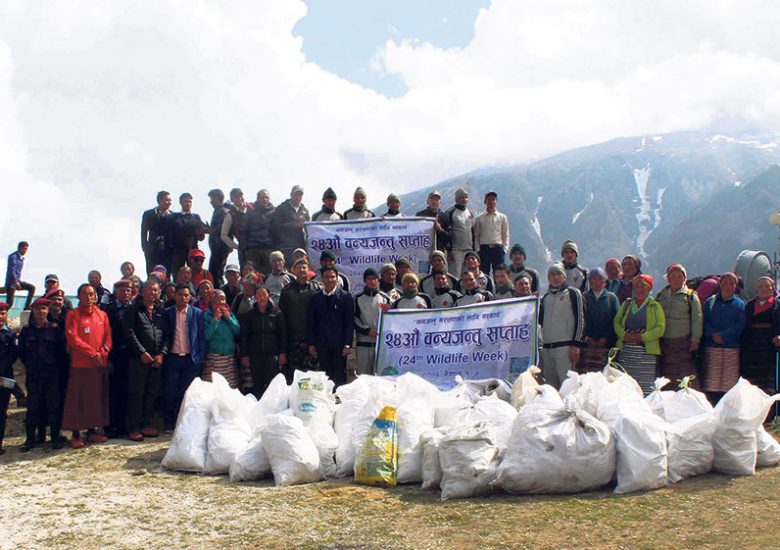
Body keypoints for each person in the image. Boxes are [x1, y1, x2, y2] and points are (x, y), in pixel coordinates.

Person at [62, 283, 112, 448]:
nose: (89, 297)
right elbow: (73, 338)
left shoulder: (102, 315)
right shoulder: (73, 315)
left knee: (95, 398)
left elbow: (108, 337)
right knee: (78, 399)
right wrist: (92, 353)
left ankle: (92, 431)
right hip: (81, 364)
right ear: (78, 297)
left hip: (98, 365)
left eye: (92, 294)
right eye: (85, 294)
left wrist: (103, 352)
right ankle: (76, 434)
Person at [18, 298, 67, 451]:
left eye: (44, 308)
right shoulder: (27, 330)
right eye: (38, 308)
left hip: (52, 374)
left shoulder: (54, 329)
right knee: (33, 407)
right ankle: (30, 440)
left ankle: (54, 438)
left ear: (48, 310)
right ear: (33, 310)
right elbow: (22, 353)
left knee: (53, 407)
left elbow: (61, 353)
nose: (41, 311)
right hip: (34, 374)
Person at [123, 279, 168, 441]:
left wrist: (162, 353)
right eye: (150, 289)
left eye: (156, 290)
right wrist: (141, 352)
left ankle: (146, 424)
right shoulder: (134, 309)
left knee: (151, 393)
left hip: (156, 359)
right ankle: (133, 427)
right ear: (142, 291)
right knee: (136, 394)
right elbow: (129, 333)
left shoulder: (161, 311)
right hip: (138, 359)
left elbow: (166, 335)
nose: (153, 292)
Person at [614, 274, 666, 395]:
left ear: (649, 289)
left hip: (645, 353)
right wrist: (624, 335)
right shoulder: (627, 305)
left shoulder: (655, 306)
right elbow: (617, 322)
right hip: (626, 352)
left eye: (643, 286)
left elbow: (660, 328)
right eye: (636, 286)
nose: (639, 289)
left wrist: (641, 337)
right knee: (626, 385)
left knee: (645, 387)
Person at [164, 283, 205, 430]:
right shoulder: (167, 313)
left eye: (186, 295)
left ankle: (186, 424)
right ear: (175, 295)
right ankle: (169, 422)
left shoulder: (197, 313)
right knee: (171, 392)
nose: (184, 298)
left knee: (188, 393)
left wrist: (200, 357)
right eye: (180, 294)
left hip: (191, 359)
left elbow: (201, 337)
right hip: (173, 358)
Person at [656, 264, 703, 388]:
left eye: (679, 276)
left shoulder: (690, 295)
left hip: (684, 343)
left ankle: (687, 400)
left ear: (684, 279)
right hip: (665, 342)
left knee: (685, 374)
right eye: (673, 276)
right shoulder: (661, 295)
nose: (676, 279)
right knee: (666, 373)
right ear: (668, 278)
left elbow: (697, 318)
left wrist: (695, 340)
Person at [701, 272, 746, 403]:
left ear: (735, 286)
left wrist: (724, 336)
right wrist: (713, 334)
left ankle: (727, 408)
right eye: (725, 283)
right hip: (712, 345)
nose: (728, 286)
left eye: (731, 283)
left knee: (728, 381)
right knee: (712, 381)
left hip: (731, 347)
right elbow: (705, 321)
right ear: (720, 284)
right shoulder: (710, 302)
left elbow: (740, 324)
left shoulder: (740, 304)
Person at [539, 263, 585, 389]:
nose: (556, 277)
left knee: (568, 385)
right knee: (550, 386)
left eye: (559, 274)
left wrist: (576, 344)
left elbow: (580, 320)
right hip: (548, 348)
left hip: (565, 346)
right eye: (552, 275)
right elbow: (540, 321)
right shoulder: (546, 298)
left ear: (564, 276)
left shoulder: (573, 293)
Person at [307, 267, 354, 387]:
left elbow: (349, 322)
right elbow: (312, 322)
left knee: (340, 374)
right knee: (325, 375)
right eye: (326, 277)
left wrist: (348, 344)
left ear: (337, 278)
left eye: (332, 277)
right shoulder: (315, 298)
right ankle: (327, 400)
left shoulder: (346, 297)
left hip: (339, 344)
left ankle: (340, 400)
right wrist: (311, 343)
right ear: (322, 279)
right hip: (322, 344)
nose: (330, 280)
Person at [240, 286, 287, 398]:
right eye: (259, 295)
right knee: (257, 385)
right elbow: (244, 336)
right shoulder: (250, 315)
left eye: (264, 295)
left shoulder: (276, 313)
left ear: (268, 296)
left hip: (272, 355)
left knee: (272, 385)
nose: (262, 297)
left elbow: (283, 334)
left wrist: (283, 353)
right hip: (255, 356)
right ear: (255, 297)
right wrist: (244, 355)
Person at [278, 259, 321, 379]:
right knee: (293, 376)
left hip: (312, 339)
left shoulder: (317, 289)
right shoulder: (286, 291)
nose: (302, 270)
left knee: (312, 376)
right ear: (293, 270)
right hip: (293, 340)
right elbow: (282, 317)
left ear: (309, 270)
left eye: (304, 267)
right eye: (299, 267)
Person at [104, 279, 133, 437]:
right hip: (114, 356)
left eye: (128, 290)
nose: (125, 293)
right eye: (122, 290)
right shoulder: (108, 310)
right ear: (116, 292)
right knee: (113, 392)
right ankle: (111, 427)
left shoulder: (135, 309)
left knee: (128, 392)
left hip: (130, 356)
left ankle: (125, 426)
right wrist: (107, 358)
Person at [739, 276, 777, 394]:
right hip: (752, 348)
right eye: (761, 287)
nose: (764, 289)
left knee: (770, 382)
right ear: (756, 290)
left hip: (771, 347)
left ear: (772, 288)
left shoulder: (778, 305)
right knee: (752, 382)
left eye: (767, 286)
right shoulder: (750, 306)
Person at [580, 268, 620, 373]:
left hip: (607, 345)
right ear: (589, 282)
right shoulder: (583, 298)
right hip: (587, 345)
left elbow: (616, 320)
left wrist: (606, 337)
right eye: (593, 280)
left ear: (605, 281)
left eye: (600, 279)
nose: (597, 282)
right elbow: (580, 320)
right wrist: (587, 337)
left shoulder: (612, 298)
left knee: (605, 374)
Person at [353, 269, 391, 375]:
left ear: (378, 280)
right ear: (365, 281)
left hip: (380, 344)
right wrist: (367, 331)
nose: (372, 281)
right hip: (363, 344)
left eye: (374, 278)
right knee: (364, 377)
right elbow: (354, 319)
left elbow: (390, 319)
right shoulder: (357, 298)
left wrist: (382, 331)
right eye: (369, 279)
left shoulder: (384, 298)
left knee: (380, 376)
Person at [203, 289, 241, 388]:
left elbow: (237, 331)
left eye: (223, 299)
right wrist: (215, 320)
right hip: (213, 358)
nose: (221, 302)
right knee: (214, 388)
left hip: (229, 357)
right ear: (211, 301)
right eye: (217, 300)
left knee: (229, 388)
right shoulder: (206, 316)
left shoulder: (230, 314)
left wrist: (229, 318)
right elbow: (206, 336)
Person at [271, 185, 310, 265]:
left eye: (300, 195)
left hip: (300, 246)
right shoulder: (281, 208)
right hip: (285, 246)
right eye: (296, 194)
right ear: (291, 194)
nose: (298, 197)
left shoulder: (305, 210)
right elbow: (276, 227)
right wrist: (295, 225)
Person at [473, 191, 509, 276]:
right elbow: (476, 235)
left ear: (496, 201)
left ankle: (499, 289)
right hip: (484, 249)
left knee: (499, 273)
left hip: (498, 249)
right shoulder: (479, 218)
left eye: (493, 199)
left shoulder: (502, 217)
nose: (491, 202)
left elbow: (505, 234)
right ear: (485, 201)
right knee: (484, 274)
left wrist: (505, 249)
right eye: (489, 199)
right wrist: (478, 249)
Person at [440, 187, 474, 278]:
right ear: (456, 199)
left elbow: (472, 231)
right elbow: (448, 232)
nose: (464, 199)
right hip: (456, 250)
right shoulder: (450, 212)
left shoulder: (469, 213)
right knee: (455, 276)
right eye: (461, 197)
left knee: (467, 276)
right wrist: (449, 249)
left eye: (466, 197)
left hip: (469, 249)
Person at [171, 192, 207, 276]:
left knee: (195, 272)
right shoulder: (175, 216)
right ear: (181, 202)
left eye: (190, 202)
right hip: (178, 250)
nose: (188, 204)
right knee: (177, 273)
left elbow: (202, 233)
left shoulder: (196, 217)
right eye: (186, 201)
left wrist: (201, 233)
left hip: (193, 249)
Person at [242, 189, 276, 275]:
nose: (264, 200)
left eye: (266, 197)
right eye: (262, 197)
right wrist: (244, 248)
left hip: (268, 249)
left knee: (268, 274)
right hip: (253, 249)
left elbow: (277, 231)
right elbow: (243, 230)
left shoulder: (274, 212)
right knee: (253, 275)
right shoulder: (250, 212)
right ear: (257, 198)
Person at [141, 191, 174, 276]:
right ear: (159, 200)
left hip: (168, 250)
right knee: (151, 272)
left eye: (170, 200)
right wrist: (145, 247)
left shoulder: (174, 216)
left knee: (166, 274)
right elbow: (144, 231)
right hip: (152, 249)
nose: (169, 203)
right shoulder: (148, 214)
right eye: (166, 200)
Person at [0, 302, 18, 455]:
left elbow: (13, 354)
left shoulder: (10, 334)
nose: (0, 316)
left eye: (3, 313)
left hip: (4, 378)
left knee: (2, 412)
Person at [221, 187, 253, 270]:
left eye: (240, 195)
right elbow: (223, 235)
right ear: (232, 199)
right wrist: (236, 246)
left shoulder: (252, 207)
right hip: (243, 246)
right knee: (245, 271)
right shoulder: (230, 214)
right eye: (236, 196)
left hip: (257, 244)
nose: (239, 198)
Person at [1, 241, 36, 310]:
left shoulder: (21, 259)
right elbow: (12, 270)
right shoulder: (13, 257)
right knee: (9, 303)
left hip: (18, 281)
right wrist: (15, 282)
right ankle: (2, 314)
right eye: (24, 248)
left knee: (32, 288)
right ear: (19, 248)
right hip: (11, 283)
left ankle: (27, 306)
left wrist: (18, 282)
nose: (25, 251)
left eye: (26, 249)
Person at [207, 188, 231, 287]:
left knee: (216, 273)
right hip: (217, 247)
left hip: (220, 247)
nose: (211, 201)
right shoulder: (219, 210)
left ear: (217, 198)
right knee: (214, 273)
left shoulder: (223, 211)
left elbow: (222, 228)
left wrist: (208, 230)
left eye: (212, 199)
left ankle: (219, 292)